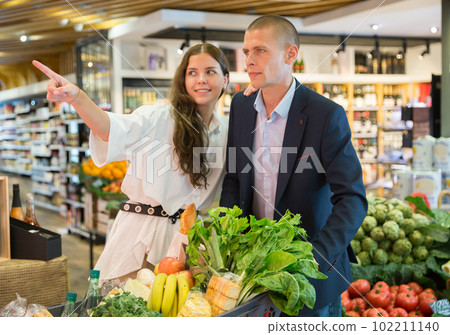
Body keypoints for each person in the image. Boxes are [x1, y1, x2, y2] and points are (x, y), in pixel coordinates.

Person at [33, 43, 230, 284]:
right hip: (143, 235)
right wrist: (78, 98)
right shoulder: (159, 117)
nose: (201, 79)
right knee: (128, 312)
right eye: (192, 73)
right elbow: (109, 128)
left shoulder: (227, 130)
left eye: (210, 71)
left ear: (226, 80)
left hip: (191, 240)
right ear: (183, 79)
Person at [220, 15, 367, 317]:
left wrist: (315, 257)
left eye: (260, 50)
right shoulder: (241, 106)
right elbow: (234, 178)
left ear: (291, 54)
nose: (249, 60)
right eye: (246, 51)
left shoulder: (325, 115)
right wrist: (227, 241)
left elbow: (352, 198)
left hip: (310, 282)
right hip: (252, 274)